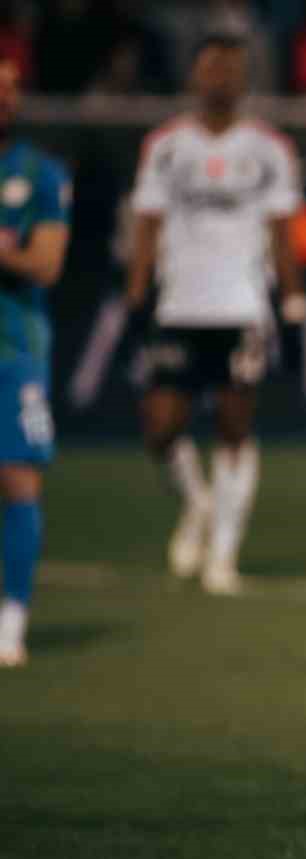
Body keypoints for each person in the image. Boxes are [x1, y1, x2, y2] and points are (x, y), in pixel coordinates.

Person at [125, 32, 306, 596]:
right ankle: (198, 505)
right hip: (179, 304)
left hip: (241, 306)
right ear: (194, 77)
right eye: (211, 68)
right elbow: (147, 225)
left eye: (231, 68)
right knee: (160, 428)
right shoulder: (165, 146)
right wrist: (136, 298)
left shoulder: (271, 149)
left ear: (244, 78)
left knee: (233, 427)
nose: (221, 78)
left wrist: (294, 306)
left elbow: (283, 234)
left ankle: (222, 557)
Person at [0, 57, 71, 667]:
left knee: (19, 479)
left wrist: (12, 256)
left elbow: (46, 266)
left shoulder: (38, 173)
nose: (4, 96)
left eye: (11, 87)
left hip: (13, 348)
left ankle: (11, 624)